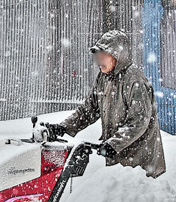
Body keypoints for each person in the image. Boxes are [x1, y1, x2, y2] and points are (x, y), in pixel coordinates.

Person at [43, 29, 166, 178]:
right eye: (97, 57)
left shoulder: (135, 80)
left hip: (140, 163)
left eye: (103, 56)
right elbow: (89, 110)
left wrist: (114, 144)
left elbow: (139, 122)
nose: (99, 61)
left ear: (118, 56)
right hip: (120, 162)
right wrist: (63, 127)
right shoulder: (104, 78)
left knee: (136, 199)